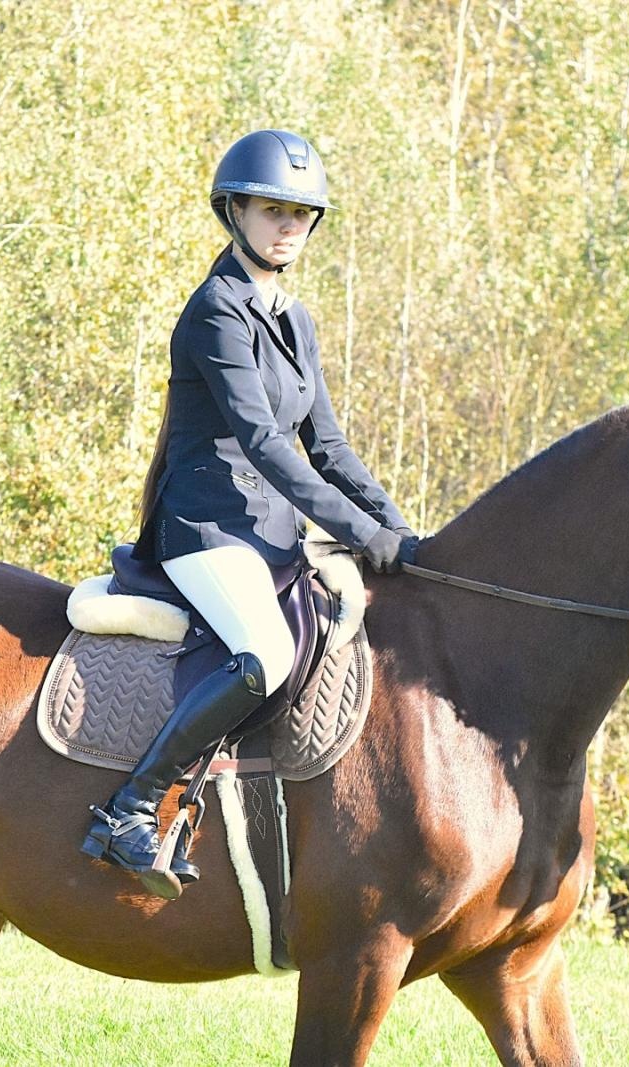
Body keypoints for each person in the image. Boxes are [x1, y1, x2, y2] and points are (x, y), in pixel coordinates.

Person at [81, 129, 418, 898]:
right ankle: (129, 808)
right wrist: (362, 535)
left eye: (301, 214)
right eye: (273, 210)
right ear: (234, 211)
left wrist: (400, 532)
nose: (288, 226)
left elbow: (326, 444)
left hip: (270, 536)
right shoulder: (215, 312)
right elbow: (268, 445)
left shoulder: (293, 320)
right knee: (264, 652)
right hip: (204, 532)